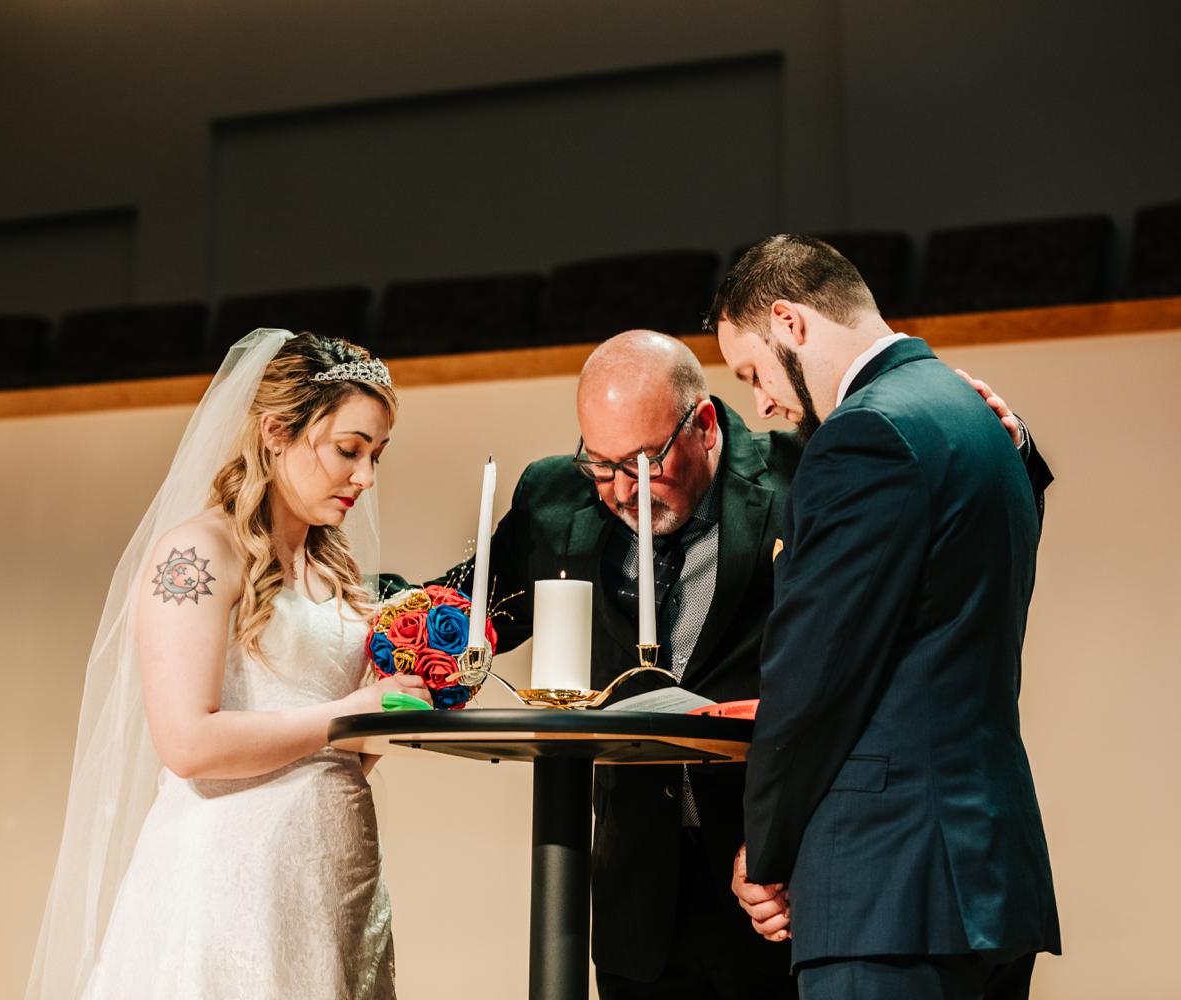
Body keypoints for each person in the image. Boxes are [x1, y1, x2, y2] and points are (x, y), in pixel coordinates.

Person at [421, 326, 1050, 999]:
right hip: (642, 899)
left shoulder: (807, 469)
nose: (619, 489)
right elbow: (461, 615)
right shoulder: (556, 498)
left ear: (706, 425)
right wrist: (386, 620)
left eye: (644, 462)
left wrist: (1013, 449)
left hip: (776, 885)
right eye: (598, 465)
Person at [25, 329, 428, 1000]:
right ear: (276, 430)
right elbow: (186, 742)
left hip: (335, 872)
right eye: (348, 450)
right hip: (232, 878)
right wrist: (345, 716)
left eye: (377, 455)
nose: (366, 477)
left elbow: (338, 741)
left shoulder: (337, 569)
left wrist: (403, 704)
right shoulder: (197, 554)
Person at [711, 234, 1061, 1000]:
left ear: (790, 321)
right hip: (988, 874)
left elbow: (813, 676)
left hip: (890, 885)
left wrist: (764, 855)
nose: (762, 402)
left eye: (752, 372)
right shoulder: (979, 417)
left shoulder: (862, 438)